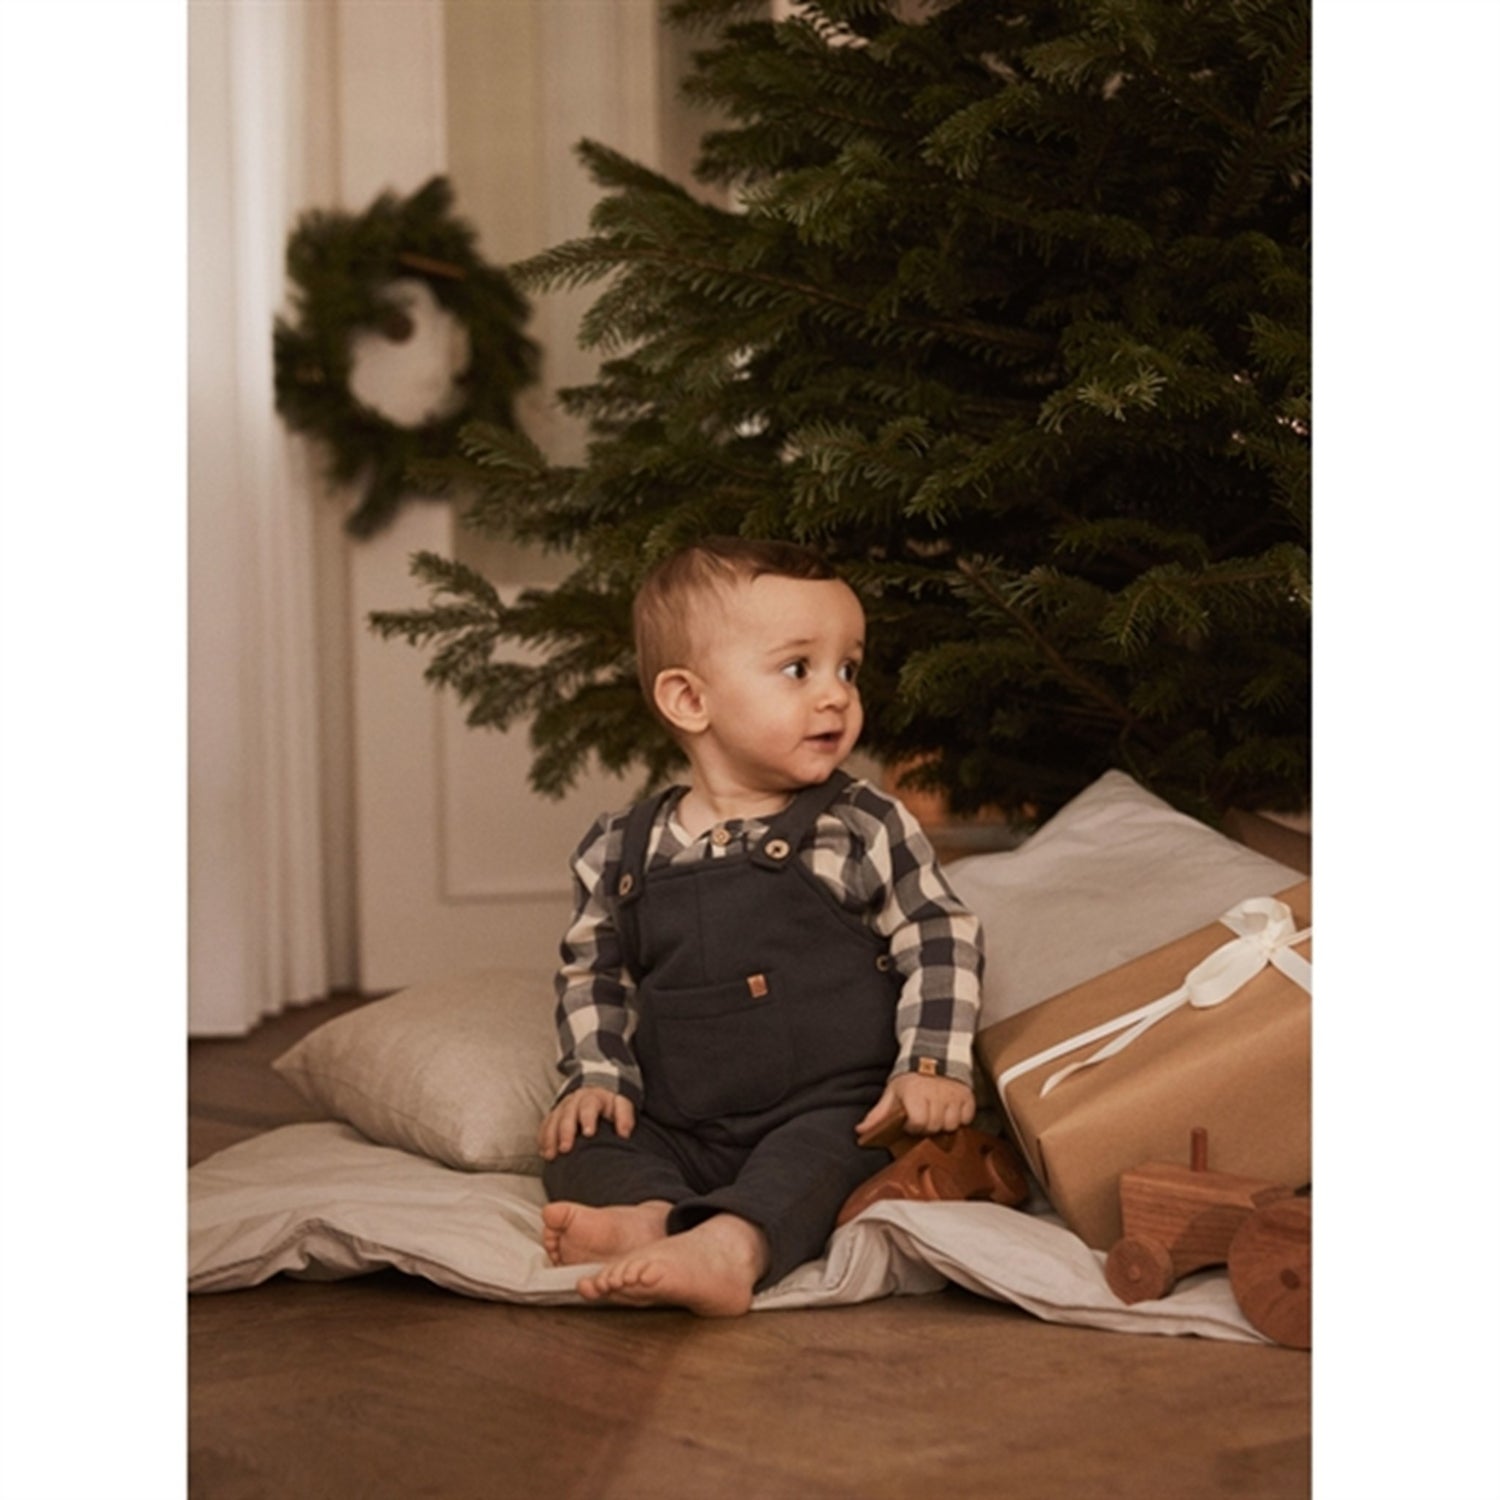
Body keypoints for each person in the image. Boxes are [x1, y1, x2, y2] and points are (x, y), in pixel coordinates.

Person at [537, 537, 983, 1315]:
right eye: (799, 668)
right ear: (690, 700)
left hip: (829, 1108)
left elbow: (939, 935)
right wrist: (598, 1077)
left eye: (849, 668)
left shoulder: (862, 825)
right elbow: (593, 976)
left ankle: (731, 1247)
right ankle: (651, 1217)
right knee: (580, 1141)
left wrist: (930, 1065)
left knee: (832, 1158)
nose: (836, 695)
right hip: (679, 1120)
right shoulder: (618, 849)